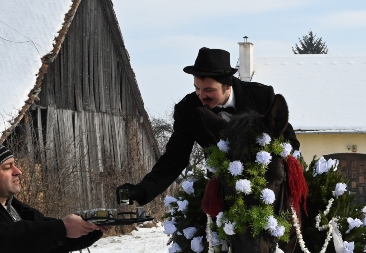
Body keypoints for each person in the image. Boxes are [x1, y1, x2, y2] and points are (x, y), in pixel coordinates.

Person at [116, 47, 299, 206]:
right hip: (221, 188)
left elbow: (289, 142)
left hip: (266, 186)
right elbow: (174, 158)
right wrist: (141, 190)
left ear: (228, 86)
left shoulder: (261, 96)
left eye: (209, 90)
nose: (201, 96)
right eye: (197, 88)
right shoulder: (187, 110)